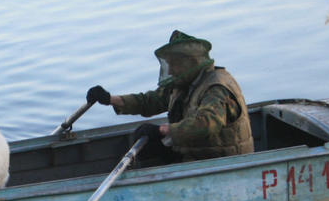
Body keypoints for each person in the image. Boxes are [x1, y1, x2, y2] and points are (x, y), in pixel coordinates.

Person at [86, 30, 254, 163]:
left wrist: (161, 130)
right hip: (195, 155)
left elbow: (206, 123)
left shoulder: (217, 87)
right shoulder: (183, 84)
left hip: (221, 162)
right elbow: (150, 101)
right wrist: (110, 99)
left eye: (174, 65)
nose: (171, 70)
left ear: (190, 63)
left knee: (154, 142)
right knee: (148, 149)